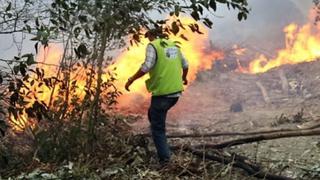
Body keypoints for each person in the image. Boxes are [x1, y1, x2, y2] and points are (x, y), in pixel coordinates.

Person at [125, 30, 189, 165]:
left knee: (158, 128)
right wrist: (184, 78)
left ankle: (165, 160)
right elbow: (185, 65)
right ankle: (161, 141)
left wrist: (131, 79)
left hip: (162, 93)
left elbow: (147, 66)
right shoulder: (173, 45)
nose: (148, 40)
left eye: (148, 37)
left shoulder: (153, 45)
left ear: (152, 35)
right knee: (153, 114)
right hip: (175, 93)